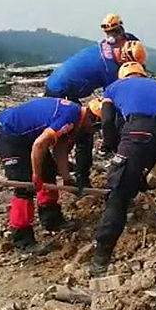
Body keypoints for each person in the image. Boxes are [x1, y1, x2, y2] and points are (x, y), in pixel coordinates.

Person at [88, 60, 156, 276]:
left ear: (122, 75)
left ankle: (101, 259)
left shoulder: (113, 87)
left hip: (139, 130)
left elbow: (107, 121)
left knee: (118, 194)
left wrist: (112, 147)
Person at [44, 14, 145, 190]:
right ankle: (76, 177)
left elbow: (134, 47)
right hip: (60, 90)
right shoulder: (109, 66)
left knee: (82, 126)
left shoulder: (122, 43)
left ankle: (63, 164)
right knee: (82, 132)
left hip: (62, 82)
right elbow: (112, 101)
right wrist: (113, 137)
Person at [0, 97, 96, 250]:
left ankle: (51, 219)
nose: (91, 132)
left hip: (28, 137)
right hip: (9, 133)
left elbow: (60, 148)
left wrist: (66, 178)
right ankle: (23, 239)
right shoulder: (70, 117)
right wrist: (36, 176)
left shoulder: (75, 116)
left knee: (48, 171)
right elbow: (40, 145)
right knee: (25, 187)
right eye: (93, 129)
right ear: (91, 119)